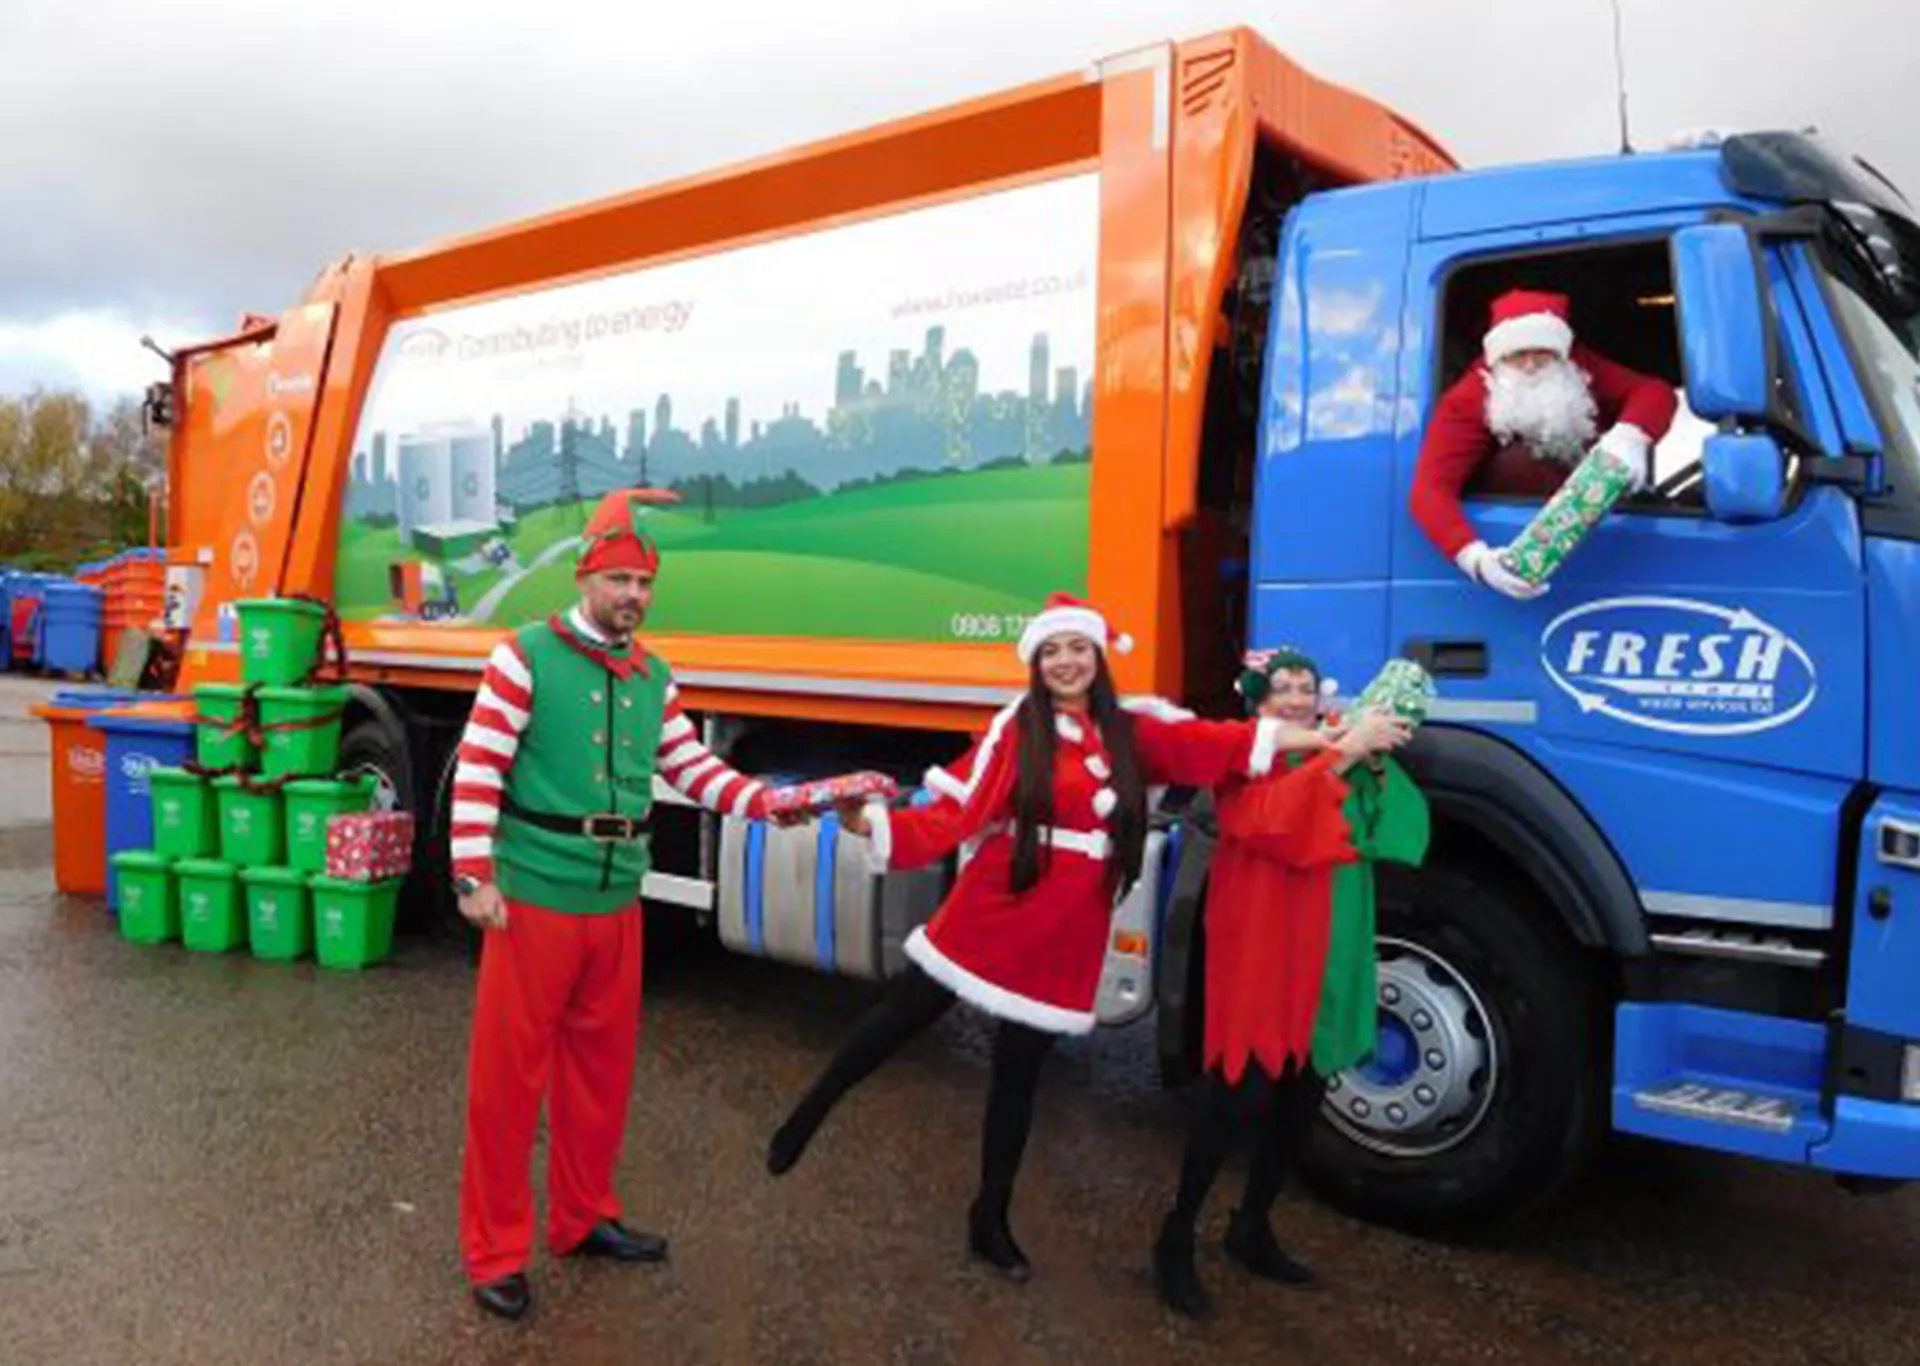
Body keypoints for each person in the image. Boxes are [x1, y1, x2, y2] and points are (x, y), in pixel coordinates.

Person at [764, 592, 1330, 1282]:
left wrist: (1334, 739)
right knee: (899, 1016)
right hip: (999, 904)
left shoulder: (1133, 732)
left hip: (1071, 926)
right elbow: (957, 809)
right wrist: (868, 825)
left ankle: (990, 1218)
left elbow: (1220, 744)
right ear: (1036, 662)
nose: (1066, 661)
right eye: (1052, 650)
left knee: (1019, 1075)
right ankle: (809, 1112)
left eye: (1078, 648)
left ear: (1097, 656)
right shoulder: (1017, 730)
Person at [449, 487, 793, 1322]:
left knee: (601, 1076)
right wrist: (471, 874)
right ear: (585, 578)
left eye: (644, 584)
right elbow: (480, 767)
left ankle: (583, 1217)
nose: (633, 597)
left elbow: (692, 771)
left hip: (617, 900)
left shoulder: (655, 676)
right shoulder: (524, 655)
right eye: (619, 582)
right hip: (533, 898)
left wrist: (774, 803)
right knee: (507, 1085)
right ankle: (494, 1251)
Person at [1153, 647, 1427, 1320]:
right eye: (1283, 690)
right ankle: (1174, 1239)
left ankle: (1252, 1226)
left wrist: (1374, 758)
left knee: (1303, 1095)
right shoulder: (1243, 757)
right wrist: (1341, 754)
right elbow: (1266, 822)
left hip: (1330, 947)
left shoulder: (1336, 749)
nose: (1300, 700)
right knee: (1235, 1097)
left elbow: (1389, 834)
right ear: (1258, 702)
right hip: (1264, 947)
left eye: (1307, 687)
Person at [1409, 288, 1679, 599]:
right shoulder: (1467, 400)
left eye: (1541, 352)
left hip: (1609, 535)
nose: (1529, 364)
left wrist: (1630, 436)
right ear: (1497, 356)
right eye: (1516, 354)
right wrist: (1476, 559)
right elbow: (1429, 491)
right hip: (1526, 537)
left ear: (1562, 352)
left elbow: (1654, 392)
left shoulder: (1580, 366)